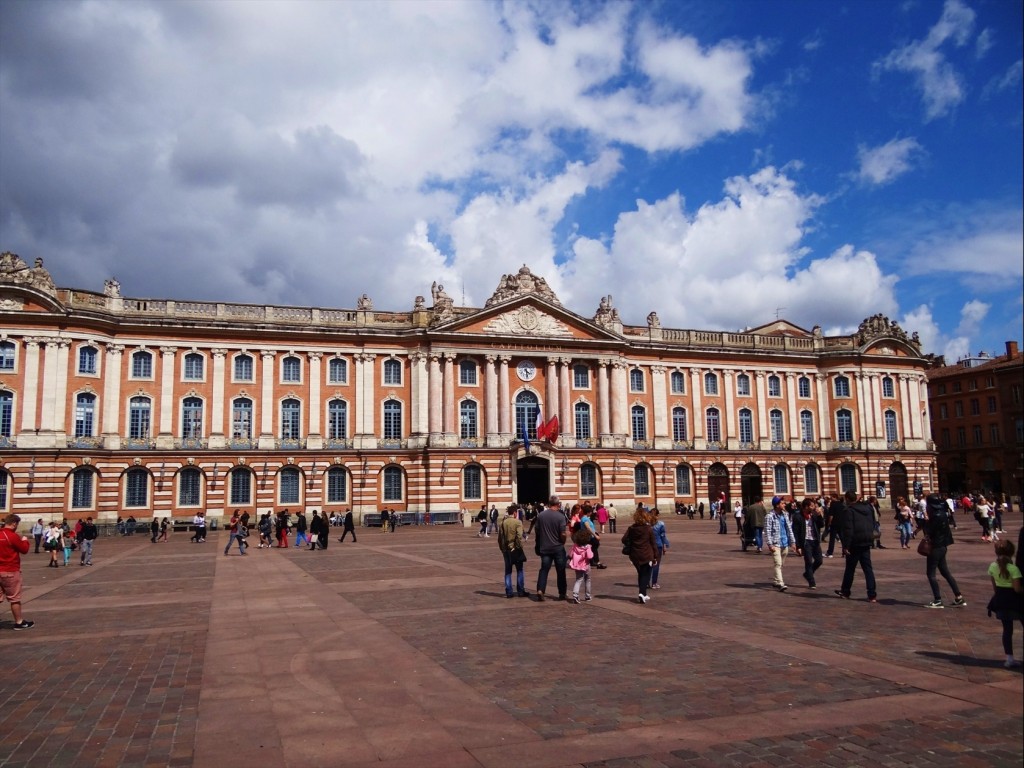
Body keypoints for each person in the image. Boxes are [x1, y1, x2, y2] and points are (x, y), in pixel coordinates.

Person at [921, 491, 966, 608]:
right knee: (945, 572)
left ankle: (937, 600)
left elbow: (928, 532)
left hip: (935, 547)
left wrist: (926, 522)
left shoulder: (934, 517)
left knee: (931, 574)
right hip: (943, 547)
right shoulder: (942, 514)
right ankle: (958, 597)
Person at [835, 491, 877, 602]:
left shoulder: (849, 511)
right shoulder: (868, 509)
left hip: (855, 543)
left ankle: (845, 591)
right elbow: (872, 523)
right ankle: (872, 595)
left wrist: (846, 546)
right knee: (868, 569)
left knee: (850, 569)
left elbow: (849, 530)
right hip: (867, 541)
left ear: (847, 499)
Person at [987, 540, 1023, 669]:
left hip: (1000, 599)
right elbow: (1017, 589)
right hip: (1015, 601)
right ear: (1012, 553)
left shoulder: (992, 566)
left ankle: (1009, 658)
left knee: (1007, 630)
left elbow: (995, 587)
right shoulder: (1014, 569)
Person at [0, 514, 34, 630]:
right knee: (14, 599)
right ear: (14, 523)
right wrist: (25, 541)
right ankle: (19, 622)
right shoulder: (12, 536)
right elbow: (24, 550)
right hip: (10, 570)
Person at [534, 495, 568, 602]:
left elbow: (537, 531)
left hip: (545, 547)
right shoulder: (560, 517)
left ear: (549, 504)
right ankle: (562, 593)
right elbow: (562, 533)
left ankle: (540, 590)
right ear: (558, 504)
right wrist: (563, 540)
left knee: (544, 570)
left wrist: (538, 543)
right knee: (561, 571)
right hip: (558, 547)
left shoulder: (541, 516)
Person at [622, 507, 658, 604]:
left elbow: (624, 539)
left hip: (634, 555)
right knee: (646, 574)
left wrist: (632, 543)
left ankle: (644, 594)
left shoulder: (631, 528)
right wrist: (656, 556)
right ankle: (642, 593)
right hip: (646, 554)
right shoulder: (648, 529)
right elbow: (653, 543)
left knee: (641, 574)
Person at [764, 496, 796, 592]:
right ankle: (781, 583)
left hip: (784, 542)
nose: (784, 504)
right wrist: (770, 544)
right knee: (778, 563)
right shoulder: (769, 516)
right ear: (777, 505)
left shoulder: (785, 515)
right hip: (775, 543)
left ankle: (775, 581)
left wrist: (793, 542)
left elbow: (789, 529)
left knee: (781, 564)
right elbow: (767, 531)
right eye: (782, 503)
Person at [792, 497, 824, 589]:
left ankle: (807, 574)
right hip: (806, 542)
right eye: (812, 506)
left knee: (819, 561)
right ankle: (811, 581)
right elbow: (796, 532)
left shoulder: (814, 515)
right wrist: (798, 546)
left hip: (815, 541)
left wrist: (819, 515)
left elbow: (821, 525)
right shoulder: (798, 517)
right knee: (808, 562)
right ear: (806, 507)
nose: (814, 507)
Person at [498, 504, 529, 598]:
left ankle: (509, 592)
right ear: (515, 513)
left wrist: (502, 548)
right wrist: (519, 547)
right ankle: (520, 591)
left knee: (508, 571)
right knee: (519, 570)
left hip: (505, 549)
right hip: (515, 549)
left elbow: (500, 538)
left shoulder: (503, 523)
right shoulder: (518, 522)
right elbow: (519, 536)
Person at [569, 524, 594, 604]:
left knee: (578, 580)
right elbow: (590, 556)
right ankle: (587, 596)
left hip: (577, 566)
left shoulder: (575, 546)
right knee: (588, 580)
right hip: (586, 565)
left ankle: (575, 595)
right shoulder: (587, 547)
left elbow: (570, 554)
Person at [650, 509, 669, 589]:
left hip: (649, 546)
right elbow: (663, 536)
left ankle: (646, 582)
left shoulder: (647, 524)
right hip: (658, 545)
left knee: (648, 564)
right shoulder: (661, 524)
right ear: (658, 515)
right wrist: (665, 545)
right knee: (656, 564)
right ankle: (654, 583)